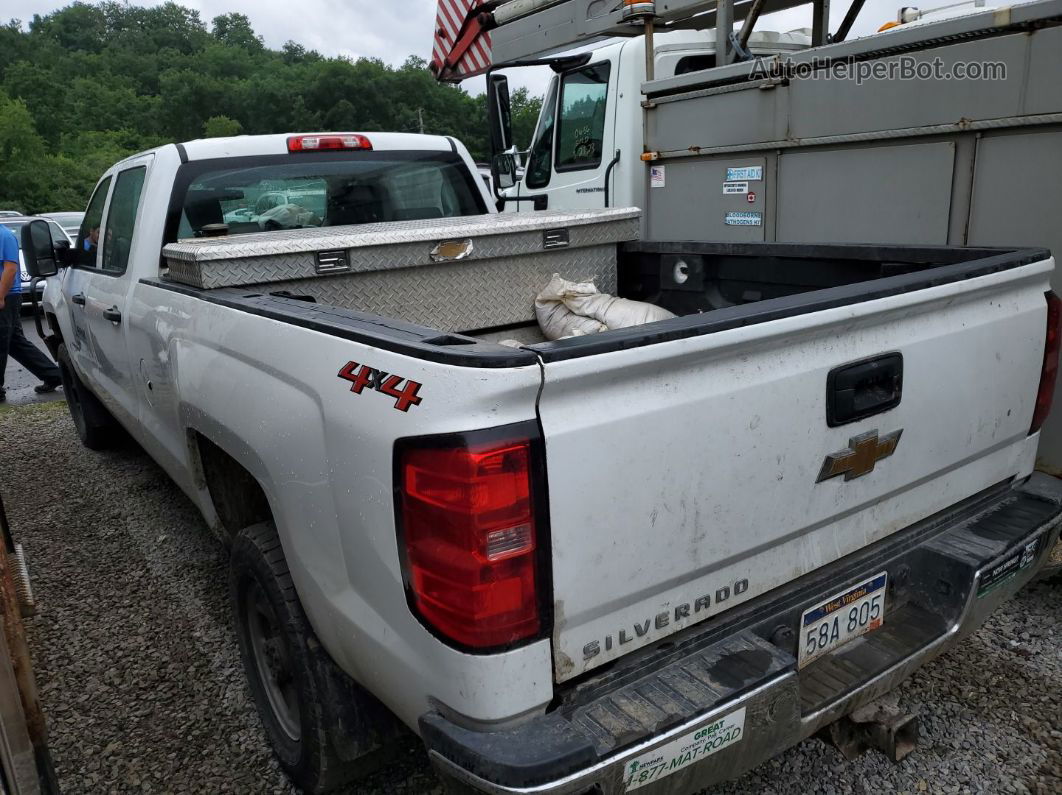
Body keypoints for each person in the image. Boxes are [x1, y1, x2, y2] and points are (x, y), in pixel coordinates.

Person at [0, 224, 62, 403]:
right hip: (5, 296)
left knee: (2, 340)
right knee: (14, 342)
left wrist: (1, 297)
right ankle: (53, 375)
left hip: (8, 295)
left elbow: (10, 269)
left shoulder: (4, 235)